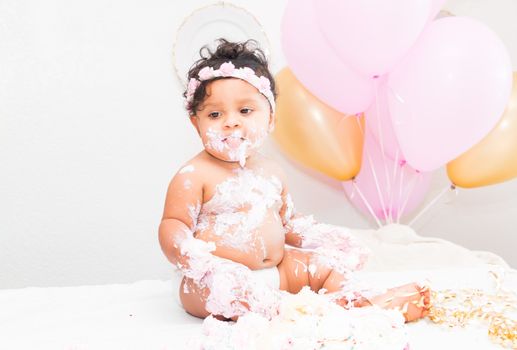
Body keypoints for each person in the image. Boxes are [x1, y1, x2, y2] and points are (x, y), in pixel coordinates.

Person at [158, 38, 430, 322]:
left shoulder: (272, 171)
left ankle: (356, 301)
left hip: (278, 271)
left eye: (245, 111)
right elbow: (173, 224)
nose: (231, 122)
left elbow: (287, 223)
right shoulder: (194, 175)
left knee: (325, 266)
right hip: (214, 280)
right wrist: (190, 254)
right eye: (215, 114)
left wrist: (325, 238)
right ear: (195, 122)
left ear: (271, 118)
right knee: (228, 288)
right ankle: (305, 312)